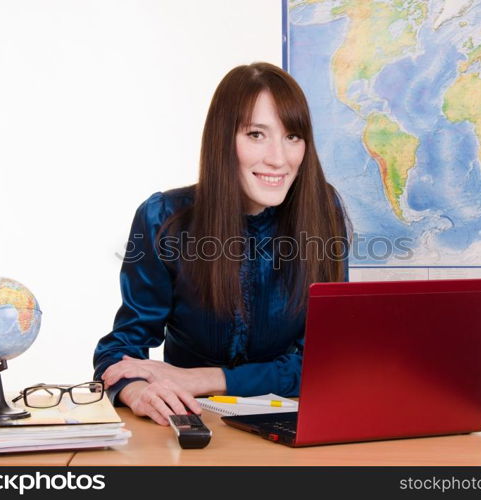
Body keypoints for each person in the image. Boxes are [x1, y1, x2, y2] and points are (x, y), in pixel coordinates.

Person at [93, 62, 349, 425]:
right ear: (223, 139)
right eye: (257, 135)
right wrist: (139, 392)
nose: (279, 158)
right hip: (193, 423)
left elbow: (328, 359)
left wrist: (204, 378)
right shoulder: (162, 217)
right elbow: (121, 350)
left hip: (292, 426)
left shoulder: (324, 211)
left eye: (292, 136)